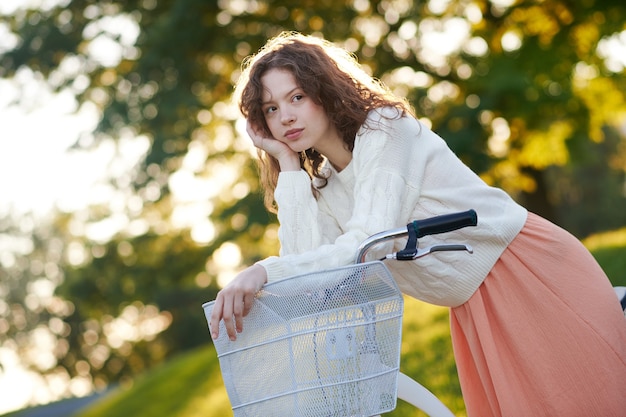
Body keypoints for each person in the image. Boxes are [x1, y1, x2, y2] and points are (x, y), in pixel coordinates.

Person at [209, 32, 626, 416]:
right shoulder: (324, 185)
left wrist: (264, 270)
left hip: (526, 272)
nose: (285, 117)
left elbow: (369, 241)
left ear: (323, 88)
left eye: (296, 96)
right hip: (470, 307)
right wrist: (287, 166)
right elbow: (309, 277)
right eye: (272, 109)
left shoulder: (386, 128)